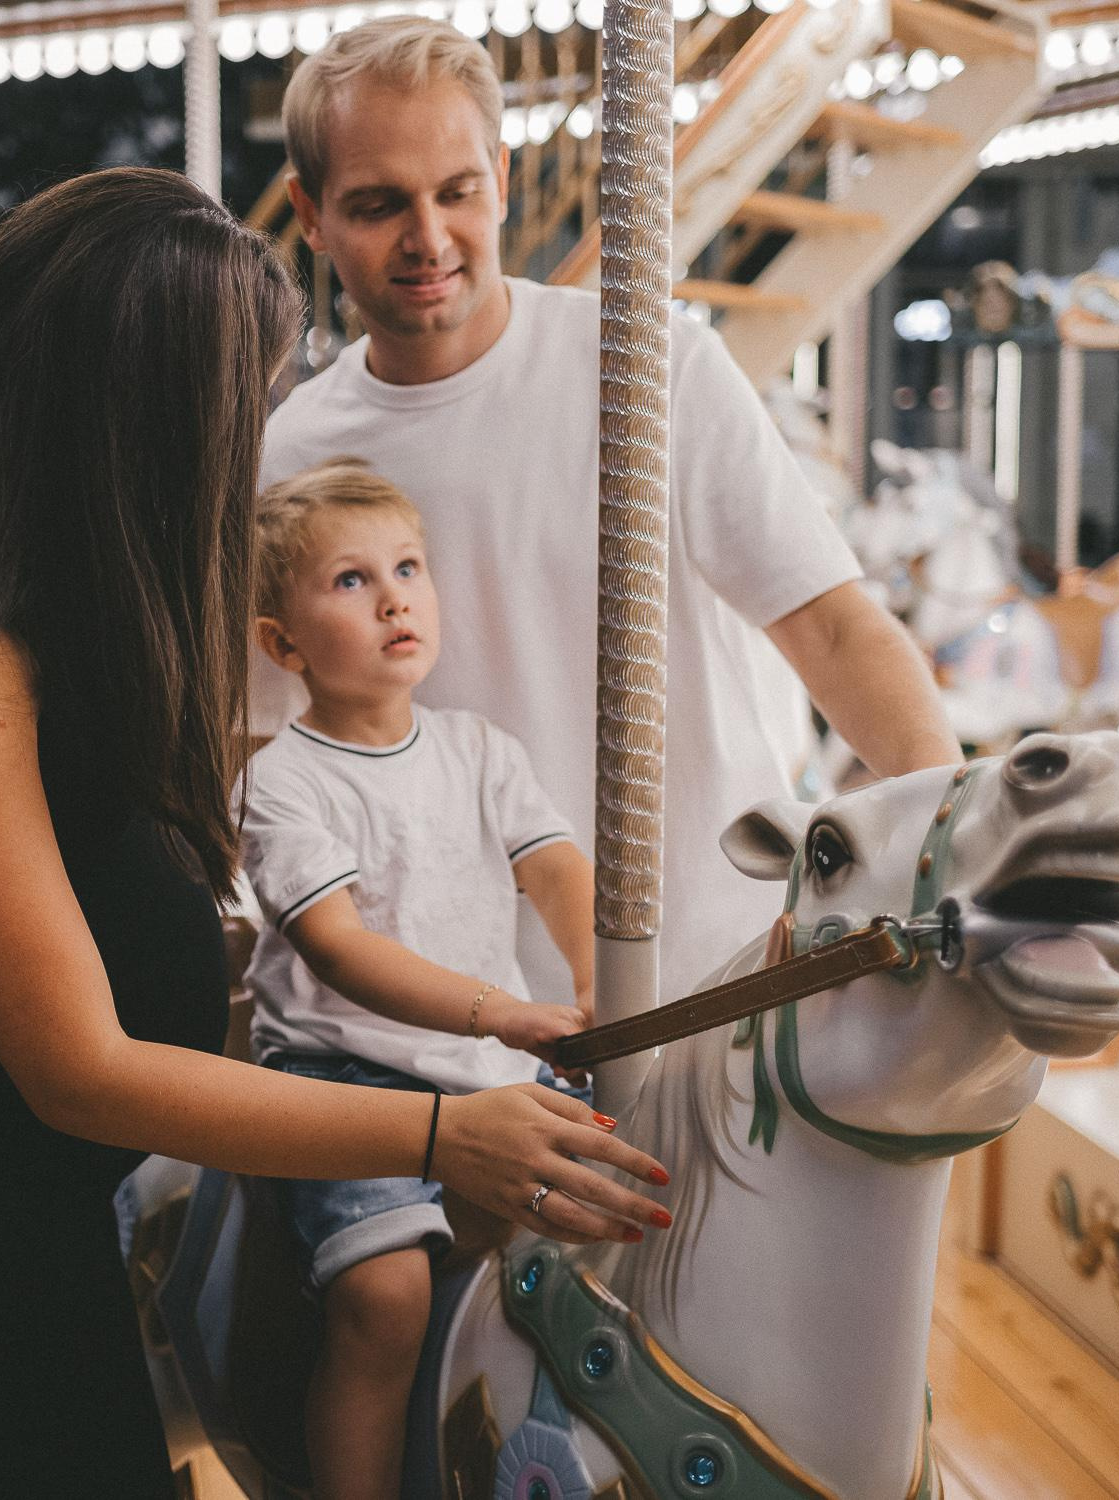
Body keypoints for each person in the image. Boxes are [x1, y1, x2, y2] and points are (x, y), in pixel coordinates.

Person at [0, 168, 671, 1498]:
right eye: (254, 401)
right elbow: (74, 1067)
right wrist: (433, 1137)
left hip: (51, 1210)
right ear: (145, 415)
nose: (255, 437)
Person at [259, 19, 963, 1012]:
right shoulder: (290, 456)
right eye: (378, 205)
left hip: (713, 973)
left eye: (456, 192)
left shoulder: (649, 366)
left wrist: (960, 836)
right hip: (458, 1027)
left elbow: (832, 628)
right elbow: (271, 743)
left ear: (500, 180)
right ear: (310, 213)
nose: (428, 237)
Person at [240, 458, 646, 1500]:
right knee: (384, 1298)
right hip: (347, 1080)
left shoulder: (476, 748)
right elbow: (338, 947)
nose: (394, 598)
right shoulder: (282, 782)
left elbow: (556, 869)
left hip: (486, 1067)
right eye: (350, 580)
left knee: (631, 1218)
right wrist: (504, 1012)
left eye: (408, 568)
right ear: (282, 645)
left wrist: (599, 973)